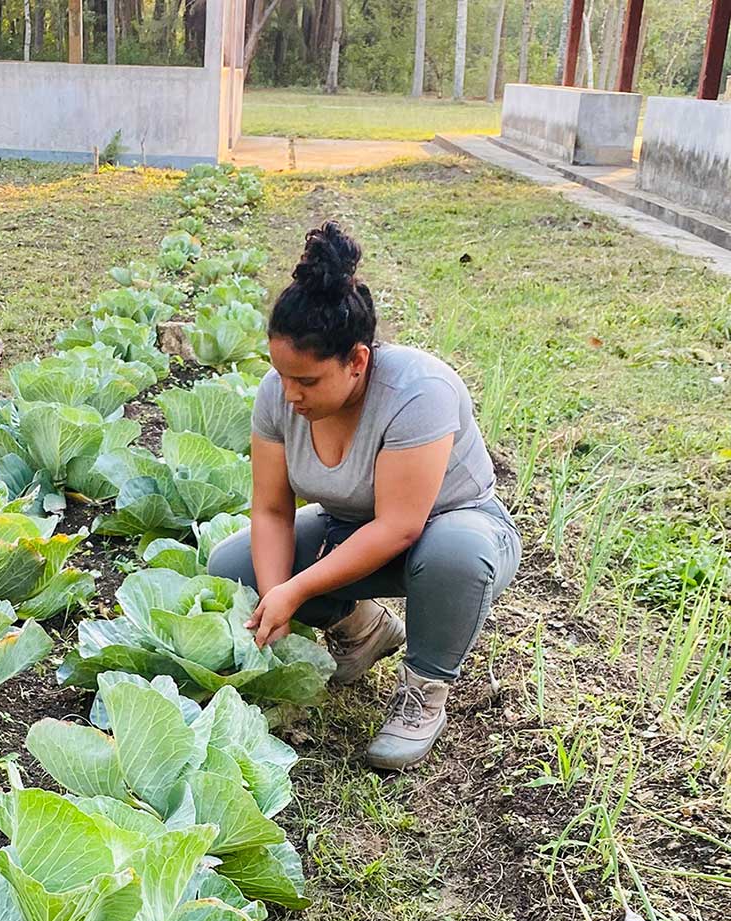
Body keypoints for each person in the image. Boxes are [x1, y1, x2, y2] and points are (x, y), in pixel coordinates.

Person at [207, 221, 522, 770]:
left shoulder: (417, 392)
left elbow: (400, 526)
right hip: (350, 529)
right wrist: (277, 595)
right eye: (281, 375)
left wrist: (297, 590)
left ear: (357, 361)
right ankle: (365, 630)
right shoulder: (278, 396)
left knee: (455, 553)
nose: (290, 394)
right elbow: (272, 509)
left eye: (307, 381)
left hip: (455, 527)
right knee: (233, 564)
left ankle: (424, 691)